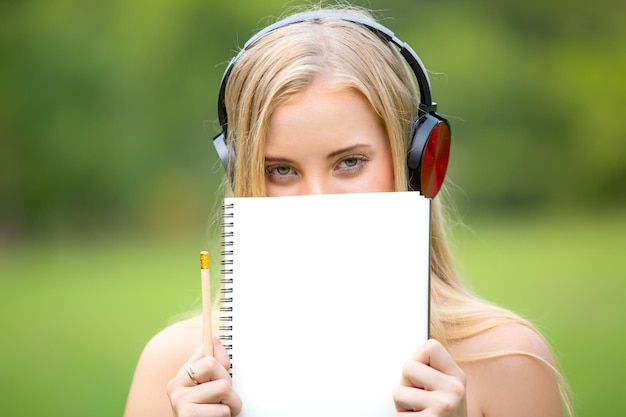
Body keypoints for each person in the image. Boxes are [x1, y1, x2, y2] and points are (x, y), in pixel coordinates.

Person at [123, 5, 573, 417]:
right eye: (281, 169)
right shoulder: (177, 372)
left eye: (350, 162)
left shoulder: (508, 360)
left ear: (415, 162)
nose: (318, 199)